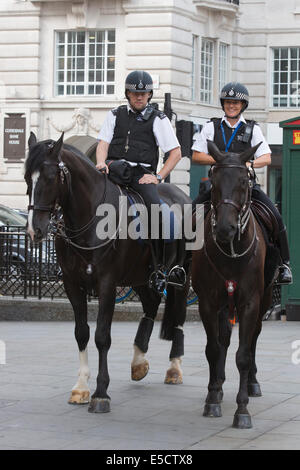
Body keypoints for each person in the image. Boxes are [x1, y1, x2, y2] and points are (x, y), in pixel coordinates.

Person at [192, 81, 292, 285]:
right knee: (188, 215)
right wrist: (225, 162)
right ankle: (180, 265)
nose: (232, 106)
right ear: (223, 104)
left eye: (236, 103)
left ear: (242, 106)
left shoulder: (252, 128)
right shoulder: (211, 127)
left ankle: (284, 265)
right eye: (228, 102)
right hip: (217, 188)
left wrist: (247, 163)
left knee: (275, 215)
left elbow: (267, 158)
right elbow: (196, 156)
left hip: (245, 188)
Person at [96, 70, 186, 293]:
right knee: (82, 195)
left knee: (156, 212)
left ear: (149, 95)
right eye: (134, 93)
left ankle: (159, 269)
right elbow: (103, 144)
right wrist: (100, 163)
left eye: (143, 94)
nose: (139, 97)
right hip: (113, 170)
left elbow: (175, 152)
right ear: (127, 94)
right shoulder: (115, 114)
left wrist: (157, 177)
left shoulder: (158, 119)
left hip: (141, 175)